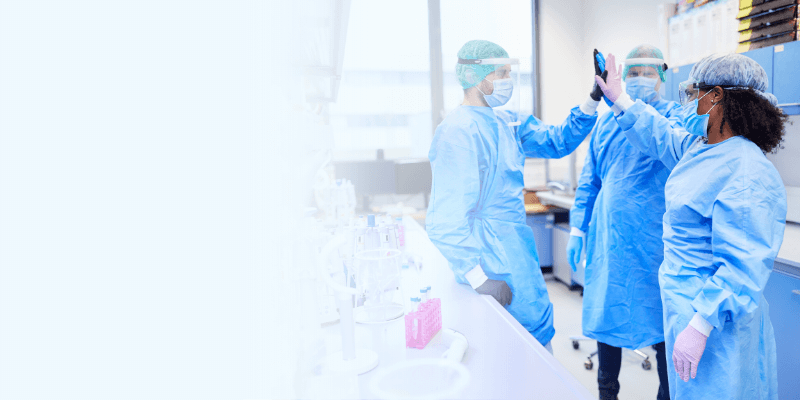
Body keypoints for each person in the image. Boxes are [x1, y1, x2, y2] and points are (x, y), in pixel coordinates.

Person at [595, 53, 787, 399]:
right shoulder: (701, 149)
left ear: (715, 97)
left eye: (693, 93)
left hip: (716, 325)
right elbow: (659, 134)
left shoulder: (747, 169)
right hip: (688, 310)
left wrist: (700, 325)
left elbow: (743, 267)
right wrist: (619, 98)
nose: (688, 102)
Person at [426, 40, 602, 351]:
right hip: (485, 257)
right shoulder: (457, 131)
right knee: (502, 346)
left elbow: (557, 141)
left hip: (515, 249)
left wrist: (592, 99)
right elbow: (445, 219)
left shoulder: (508, 122)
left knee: (535, 332)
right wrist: (479, 278)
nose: (508, 80)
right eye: (502, 73)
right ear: (476, 77)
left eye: (510, 73)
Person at [568, 44, 676, 400]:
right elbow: (590, 180)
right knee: (608, 318)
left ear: (662, 77)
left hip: (655, 240)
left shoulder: (672, 119)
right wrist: (577, 227)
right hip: (610, 239)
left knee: (662, 325)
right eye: (633, 72)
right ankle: (607, 392)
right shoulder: (605, 122)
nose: (641, 78)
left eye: (648, 72)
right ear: (623, 77)